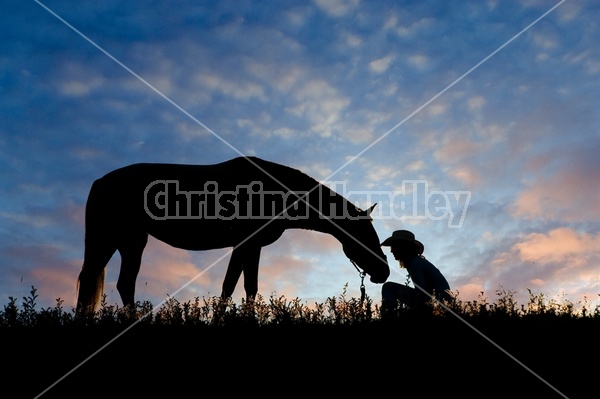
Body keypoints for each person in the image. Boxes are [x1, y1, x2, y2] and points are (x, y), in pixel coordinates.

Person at [380, 230, 452, 313]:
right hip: (439, 300)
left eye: (394, 247)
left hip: (439, 301)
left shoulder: (414, 263)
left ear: (403, 247)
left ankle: (389, 317)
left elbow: (421, 294)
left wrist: (410, 312)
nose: (391, 251)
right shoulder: (416, 261)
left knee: (388, 287)